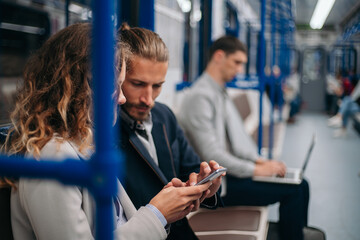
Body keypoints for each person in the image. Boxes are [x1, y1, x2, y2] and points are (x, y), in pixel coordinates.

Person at [0, 23, 215, 240]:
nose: (122, 98)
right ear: (78, 87)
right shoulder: (52, 156)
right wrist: (157, 214)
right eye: (115, 86)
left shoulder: (85, 142)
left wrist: (168, 205)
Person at [178, 36, 310, 240]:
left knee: (301, 182)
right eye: (237, 62)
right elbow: (212, 155)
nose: (240, 70)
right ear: (219, 56)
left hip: (228, 175)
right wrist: (256, 170)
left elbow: (236, 141)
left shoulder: (218, 92)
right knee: (296, 190)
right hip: (216, 188)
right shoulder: (199, 97)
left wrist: (261, 161)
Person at [116, 23, 224, 240]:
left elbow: (190, 168)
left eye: (157, 86)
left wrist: (205, 187)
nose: (148, 99)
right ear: (118, 78)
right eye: (137, 84)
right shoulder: (104, 132)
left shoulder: (165, 116)